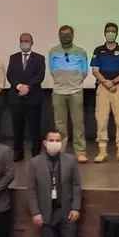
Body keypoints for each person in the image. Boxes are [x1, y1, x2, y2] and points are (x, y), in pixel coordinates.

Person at [26, 129, 84, 237]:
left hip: (66, 210)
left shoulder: (70, 160)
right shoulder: (35, 163)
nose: (55, 143)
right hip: (46, 211)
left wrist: (76, 207)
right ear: (45, 143)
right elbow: (31, 190)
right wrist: (35, 212)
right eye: (51, 140)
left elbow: (76, 185)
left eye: (58, 140)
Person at [90, 22, 119, 163]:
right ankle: (102, 151)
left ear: (117, 33)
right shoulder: (98, 50)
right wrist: (105, 82)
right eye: (108, 31)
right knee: (101, 120)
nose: (110, 33)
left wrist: (113, 82)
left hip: (118, 88)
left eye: (113, 31)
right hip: (103, 88)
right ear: (104, 33)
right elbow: (95, 70)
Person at [49, 25, 89, 163]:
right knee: (60, 124)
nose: (65, 36)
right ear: (59, 36)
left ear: (72, 35)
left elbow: (84, 72)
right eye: (62, 34)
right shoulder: (53, 51)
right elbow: (52, 71)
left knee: (78, 123)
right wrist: (62, 81)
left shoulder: (80, 51)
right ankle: (60, 152)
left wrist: (74, 82)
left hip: (75, 91)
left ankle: (80, 152)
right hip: (58, 91)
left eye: (68, 34)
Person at [6, 33, 45, 161]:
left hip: (33, 98)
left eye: (27, 41)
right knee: (17, 128)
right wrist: (19, 86)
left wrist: (27, 88)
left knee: (35, 128)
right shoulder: (13, 57)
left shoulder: (39, 58)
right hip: (16, 98)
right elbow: (10, 75)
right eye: (22, 41)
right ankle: (18, 152)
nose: (24, 43)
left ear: (32, 42)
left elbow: (40, 76)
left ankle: (36, 152)